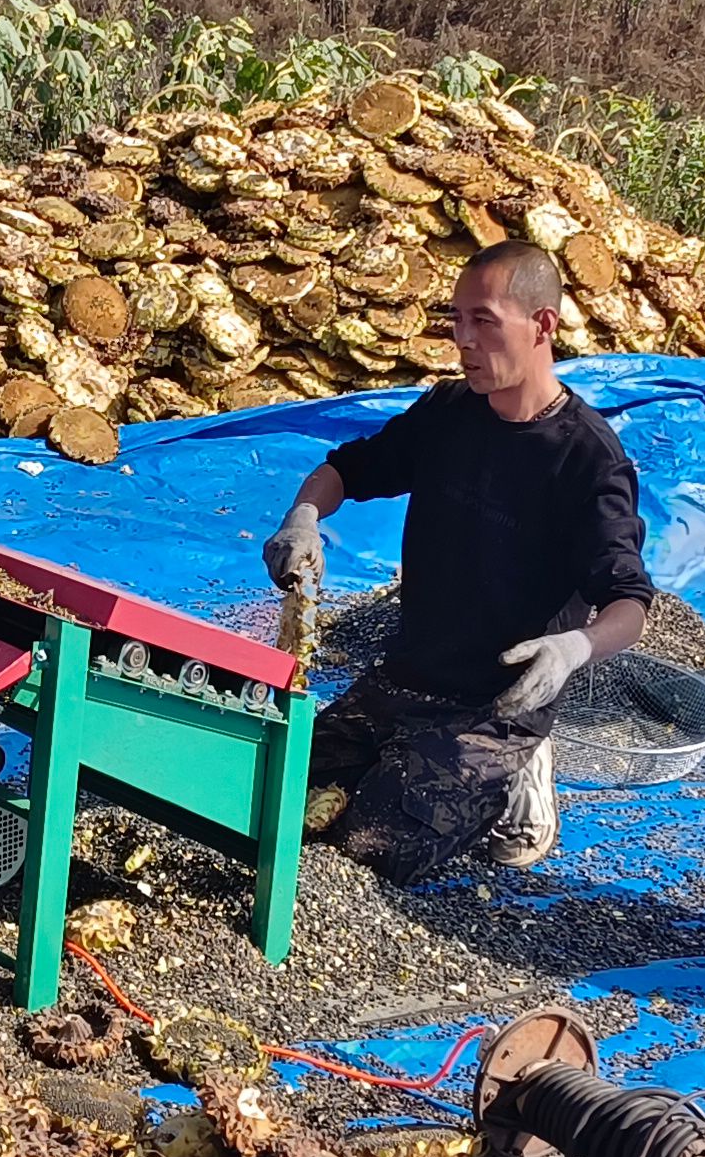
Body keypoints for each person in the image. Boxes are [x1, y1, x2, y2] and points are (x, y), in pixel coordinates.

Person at [261, 241, 651, 880]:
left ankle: (522, 767)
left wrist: (569, 650)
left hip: (497, 700)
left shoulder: (586, 458)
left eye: (484, 321)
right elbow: (345, 469)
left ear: (542, 325)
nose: (462, 340)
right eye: (457, 320)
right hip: (408, 675)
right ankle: (415, 759)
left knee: (378, 845)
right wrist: (302, 519)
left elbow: (629, 602)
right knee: (280, 792)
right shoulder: (448, 413)